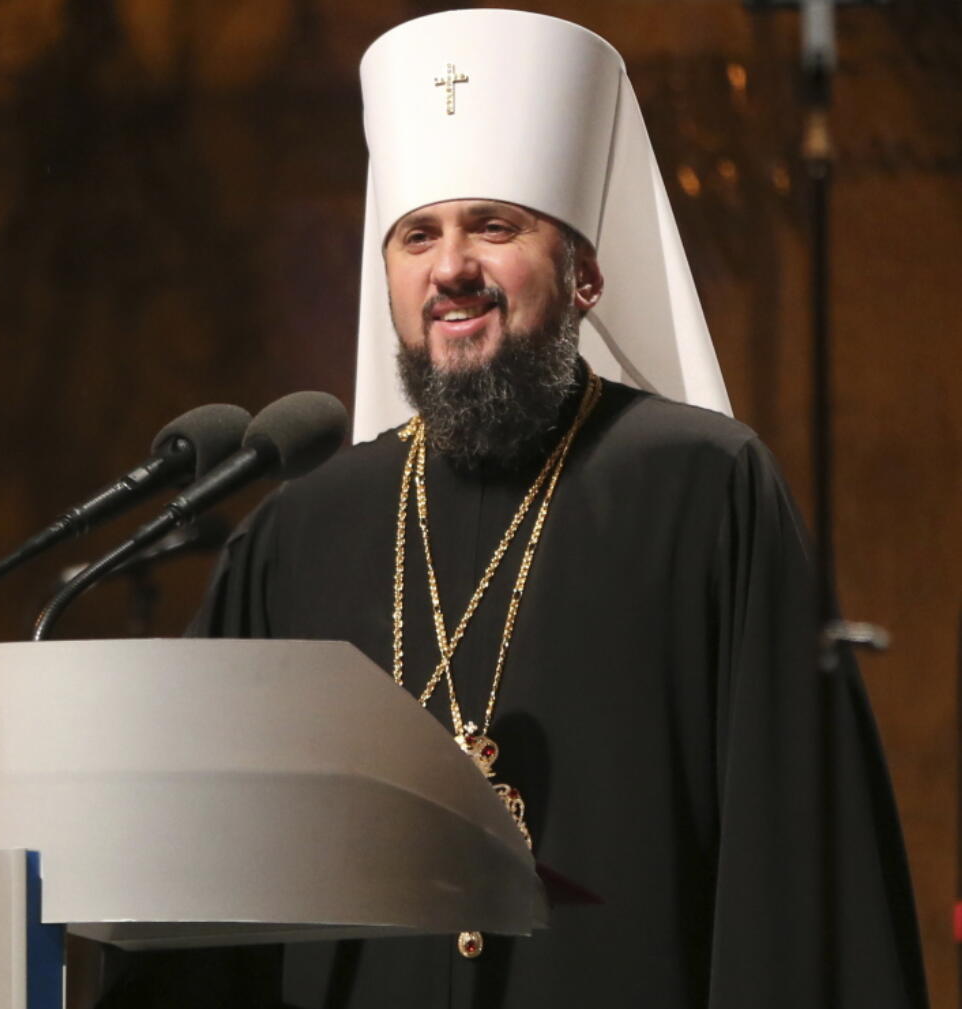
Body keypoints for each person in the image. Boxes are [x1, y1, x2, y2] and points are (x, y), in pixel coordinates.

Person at [190, 10, 928, 1008]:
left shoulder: (702, 490)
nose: (449, 267)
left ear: (584, 273)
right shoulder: (297, 532)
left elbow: (789, 872)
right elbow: (201, 891)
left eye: (493, 226)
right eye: (417, 236)